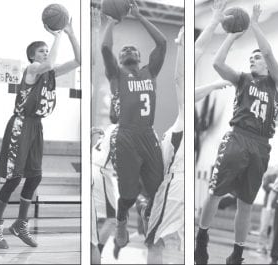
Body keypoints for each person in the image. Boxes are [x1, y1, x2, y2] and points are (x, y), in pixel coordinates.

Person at [194, 4, 278, 265]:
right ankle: (202, 241)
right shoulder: (242, 79)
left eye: (256, 58)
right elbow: (217, 63)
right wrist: (232, 35)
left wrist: (254, 24)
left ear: (267, 66)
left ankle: (237, 253)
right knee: (215, 193)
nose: (253, 59)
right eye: (251, 58)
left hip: (261, 146)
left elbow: (267, 50)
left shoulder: (277, 81)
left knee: (245, 204)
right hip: (237, 138)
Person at [0, 20, 80, 249]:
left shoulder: (51, 73)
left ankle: (20, 224)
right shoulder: (32, 69)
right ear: (32, 56)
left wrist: (70, 33)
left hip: (36, 126)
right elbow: (49, 63)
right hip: (20, 125)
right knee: (15, 177)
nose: (46, 53)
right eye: (42, 51)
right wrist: (57, 35)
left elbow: (79, 61)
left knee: (35, 176)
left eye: (47, 51)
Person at [101, 0, 166, 257]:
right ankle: (121, 221)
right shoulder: (115, 74)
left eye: (134, 49)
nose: (128, 49)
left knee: (158, 190)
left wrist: (140, 16)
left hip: (148, 135)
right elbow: (106, 47)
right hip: (125, 135)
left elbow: (162, 43)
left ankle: (147, 217)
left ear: (140, 58)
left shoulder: (151, 71)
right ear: (120, 59)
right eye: (124, 49)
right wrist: (111, 21)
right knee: (127, 193)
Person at [143, 26, 184, 265]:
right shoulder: (178, 127)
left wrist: (181, 46)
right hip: (175, 186)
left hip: (176, 184)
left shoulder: (183, 120)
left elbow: (179, 79)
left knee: (154, 241)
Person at [91, 124, 119, 255]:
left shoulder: (110, 127)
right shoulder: (124, 130)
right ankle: (96, 252)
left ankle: (94, 251)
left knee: (96, 217)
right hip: (100, 172)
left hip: (93, 168)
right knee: (112, 219)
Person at [256, 165, 278, 254]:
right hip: (267, 206)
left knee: (274, 229)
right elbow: (265, 186)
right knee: (264, 227)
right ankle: (261, 246)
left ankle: (270, 247)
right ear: (275, 169)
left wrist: (273, 186)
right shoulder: (269, 177)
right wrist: (273, 187)